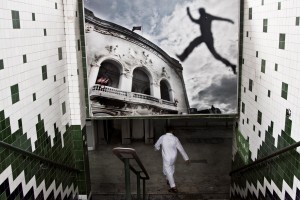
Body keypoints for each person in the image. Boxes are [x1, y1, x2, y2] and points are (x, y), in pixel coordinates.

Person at [176, 7, 236, 74]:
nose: (200, 14)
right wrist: (188, 12)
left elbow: (219, 18)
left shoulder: (208, 16)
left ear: (203, 12)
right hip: (205, 37)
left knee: (195, 44)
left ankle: (182, 56)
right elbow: (193, 20)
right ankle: (232, 65)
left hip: (207, 37)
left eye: (200, 13)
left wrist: (229, 20)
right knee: (214, 54)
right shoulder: (201, 18)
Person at [154, 127, 190, 193]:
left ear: (165, 131)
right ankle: (168, 179)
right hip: (174, 157)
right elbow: (181, 149)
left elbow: (156, 145)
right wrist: (186, 158)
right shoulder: (175, 138)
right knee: (171, 167)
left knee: (168, 171)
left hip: (166, 157)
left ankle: (173, 187)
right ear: (172, 131)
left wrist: (157, 148)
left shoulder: (163, 137)